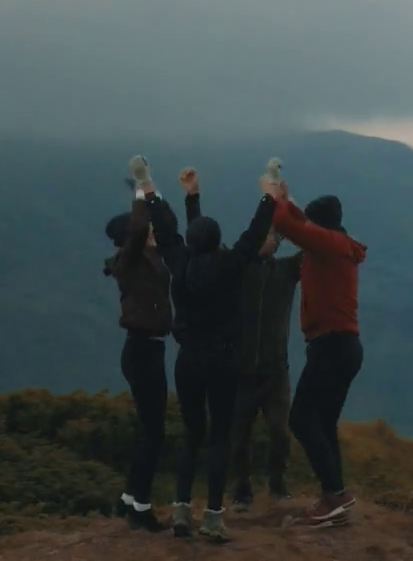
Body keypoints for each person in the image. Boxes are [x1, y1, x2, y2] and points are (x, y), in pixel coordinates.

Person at [167, 167, 277, 542]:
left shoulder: (181, 266)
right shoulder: (229, 265)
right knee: (219, 437)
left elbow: (193, 240)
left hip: (187, 361)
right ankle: (213, 518)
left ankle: (181, 511)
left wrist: (191, 197)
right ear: (218, 243)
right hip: (222, 361)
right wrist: (269, 196)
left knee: (192, 433)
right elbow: (254, 235)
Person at [267, 176, 367, 528]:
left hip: (331, 346)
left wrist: (275, 198)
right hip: (343, 346)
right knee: (323, 421)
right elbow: (302, 224)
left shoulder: (329, 245)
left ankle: (334, 495)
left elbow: (289, 225)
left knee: (301, 419)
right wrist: (289, 199)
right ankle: (336, 494)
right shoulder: (336, 244)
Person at [102, 155, 185, 533]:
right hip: (143, 351)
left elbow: (163, 227)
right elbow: (139, 229)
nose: (150, 232)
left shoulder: (145, 258)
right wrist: (140, 189)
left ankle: (128, 499)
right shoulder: (131, 259)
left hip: (147, 349)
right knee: (154, 432)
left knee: (148, 429)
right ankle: (141, 507)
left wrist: (153, 196)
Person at [228, 224, 300, 512]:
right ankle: (241, 490)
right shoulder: (237, 269)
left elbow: (313, 247)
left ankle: (278, 484)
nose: (264, 239)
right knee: (239, 436)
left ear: (278, 242)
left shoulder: (287, 270)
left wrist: (290, 219)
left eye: (270, 235)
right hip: (241, 371)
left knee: (280, 431)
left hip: (275, 370)